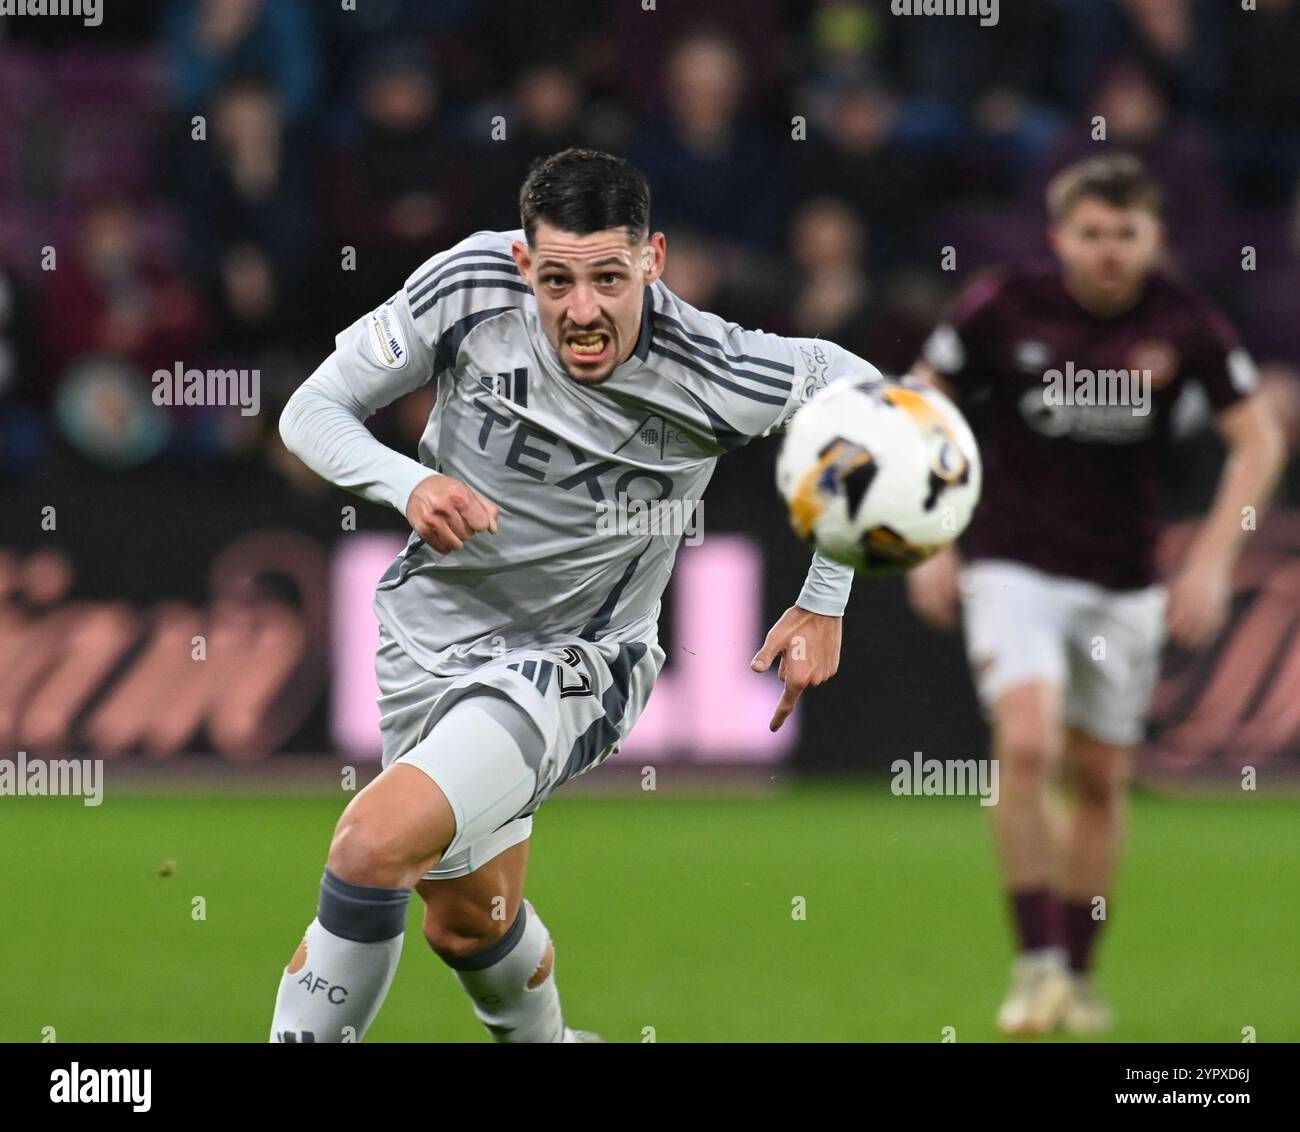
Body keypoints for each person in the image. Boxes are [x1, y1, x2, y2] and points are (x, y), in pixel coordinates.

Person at [270, 148, 874, 1043]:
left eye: (607, 278)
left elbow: (863, 399)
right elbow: (308, 413)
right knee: (466, 920)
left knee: (369, 847)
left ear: (653, 261)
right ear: (523, 262)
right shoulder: (471, 287)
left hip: (578, 659)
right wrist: (407, 485)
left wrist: (825, 597)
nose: (582, 310)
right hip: (425, 641)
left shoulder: (710, 367)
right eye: (556, 279)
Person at [908, 154, 1285, 1036]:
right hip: (1013, 564)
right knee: (1029, 744)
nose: (1109, 251)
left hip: (1123, 581)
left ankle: (1076, 976)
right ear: (1058, 236)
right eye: (1092, 233)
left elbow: (1258, 438)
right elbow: (919, 403)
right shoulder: (1004, 306)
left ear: (1156, 238)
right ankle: (1034, 964)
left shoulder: (1184, 321)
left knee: (1103, 778)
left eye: (1127, 234)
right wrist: (928, 538)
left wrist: (1213, 564)